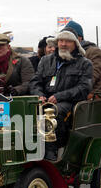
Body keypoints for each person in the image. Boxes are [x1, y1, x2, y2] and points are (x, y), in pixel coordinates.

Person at [29, 30, 93, 161]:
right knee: (26, 110)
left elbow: (84, 88)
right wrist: (39, 95)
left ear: (75, 44)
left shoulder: (85, 63)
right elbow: (35, 82)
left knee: (52, 112)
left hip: (70, 102)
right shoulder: (45, 60)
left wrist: (60, 96)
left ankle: (52, 152)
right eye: (61, 41)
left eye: (68, 41)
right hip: (45, 100)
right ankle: (29, 148)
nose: (63, 44)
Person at [61, 20, 101, 97]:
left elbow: (93, 76)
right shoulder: (64, 53)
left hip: (92, 92)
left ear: (79, 37)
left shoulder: (94, 51)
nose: (64, 43)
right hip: (68, 92)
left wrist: (71, 91)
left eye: (69, 38)